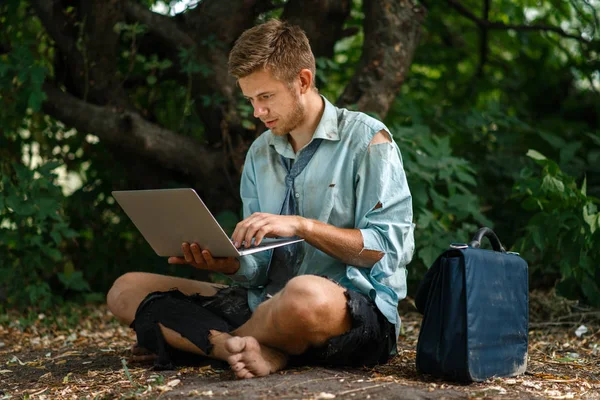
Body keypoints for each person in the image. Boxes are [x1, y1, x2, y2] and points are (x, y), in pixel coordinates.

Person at [107, 19, 414, 379]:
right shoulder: (259, 153)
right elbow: (259, 268)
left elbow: (387, 250)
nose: (257, 112)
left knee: (305, 294)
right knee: (126, 289)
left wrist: (302, 226)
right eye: (250, 100)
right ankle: (246, 348)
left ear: (302, 81)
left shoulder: (367, 139)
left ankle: (199, 339)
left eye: (265, 97)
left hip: (343, 311)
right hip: (265, 307)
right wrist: (231, 264)